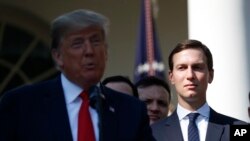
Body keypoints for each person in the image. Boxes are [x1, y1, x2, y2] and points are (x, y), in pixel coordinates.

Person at [0, 9, 155, 141]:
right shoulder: (21, 106)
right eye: (77, 43)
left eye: (95, 42)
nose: (89, 51)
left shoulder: (131, 110)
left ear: (106, 51)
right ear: (58, 56)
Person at [151, 39, 247, 141]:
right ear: (171, 77)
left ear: (210, 75)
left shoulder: (240, 130)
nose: (190, 75)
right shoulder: (151, 133)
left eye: (197, 67)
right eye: (182, 68)